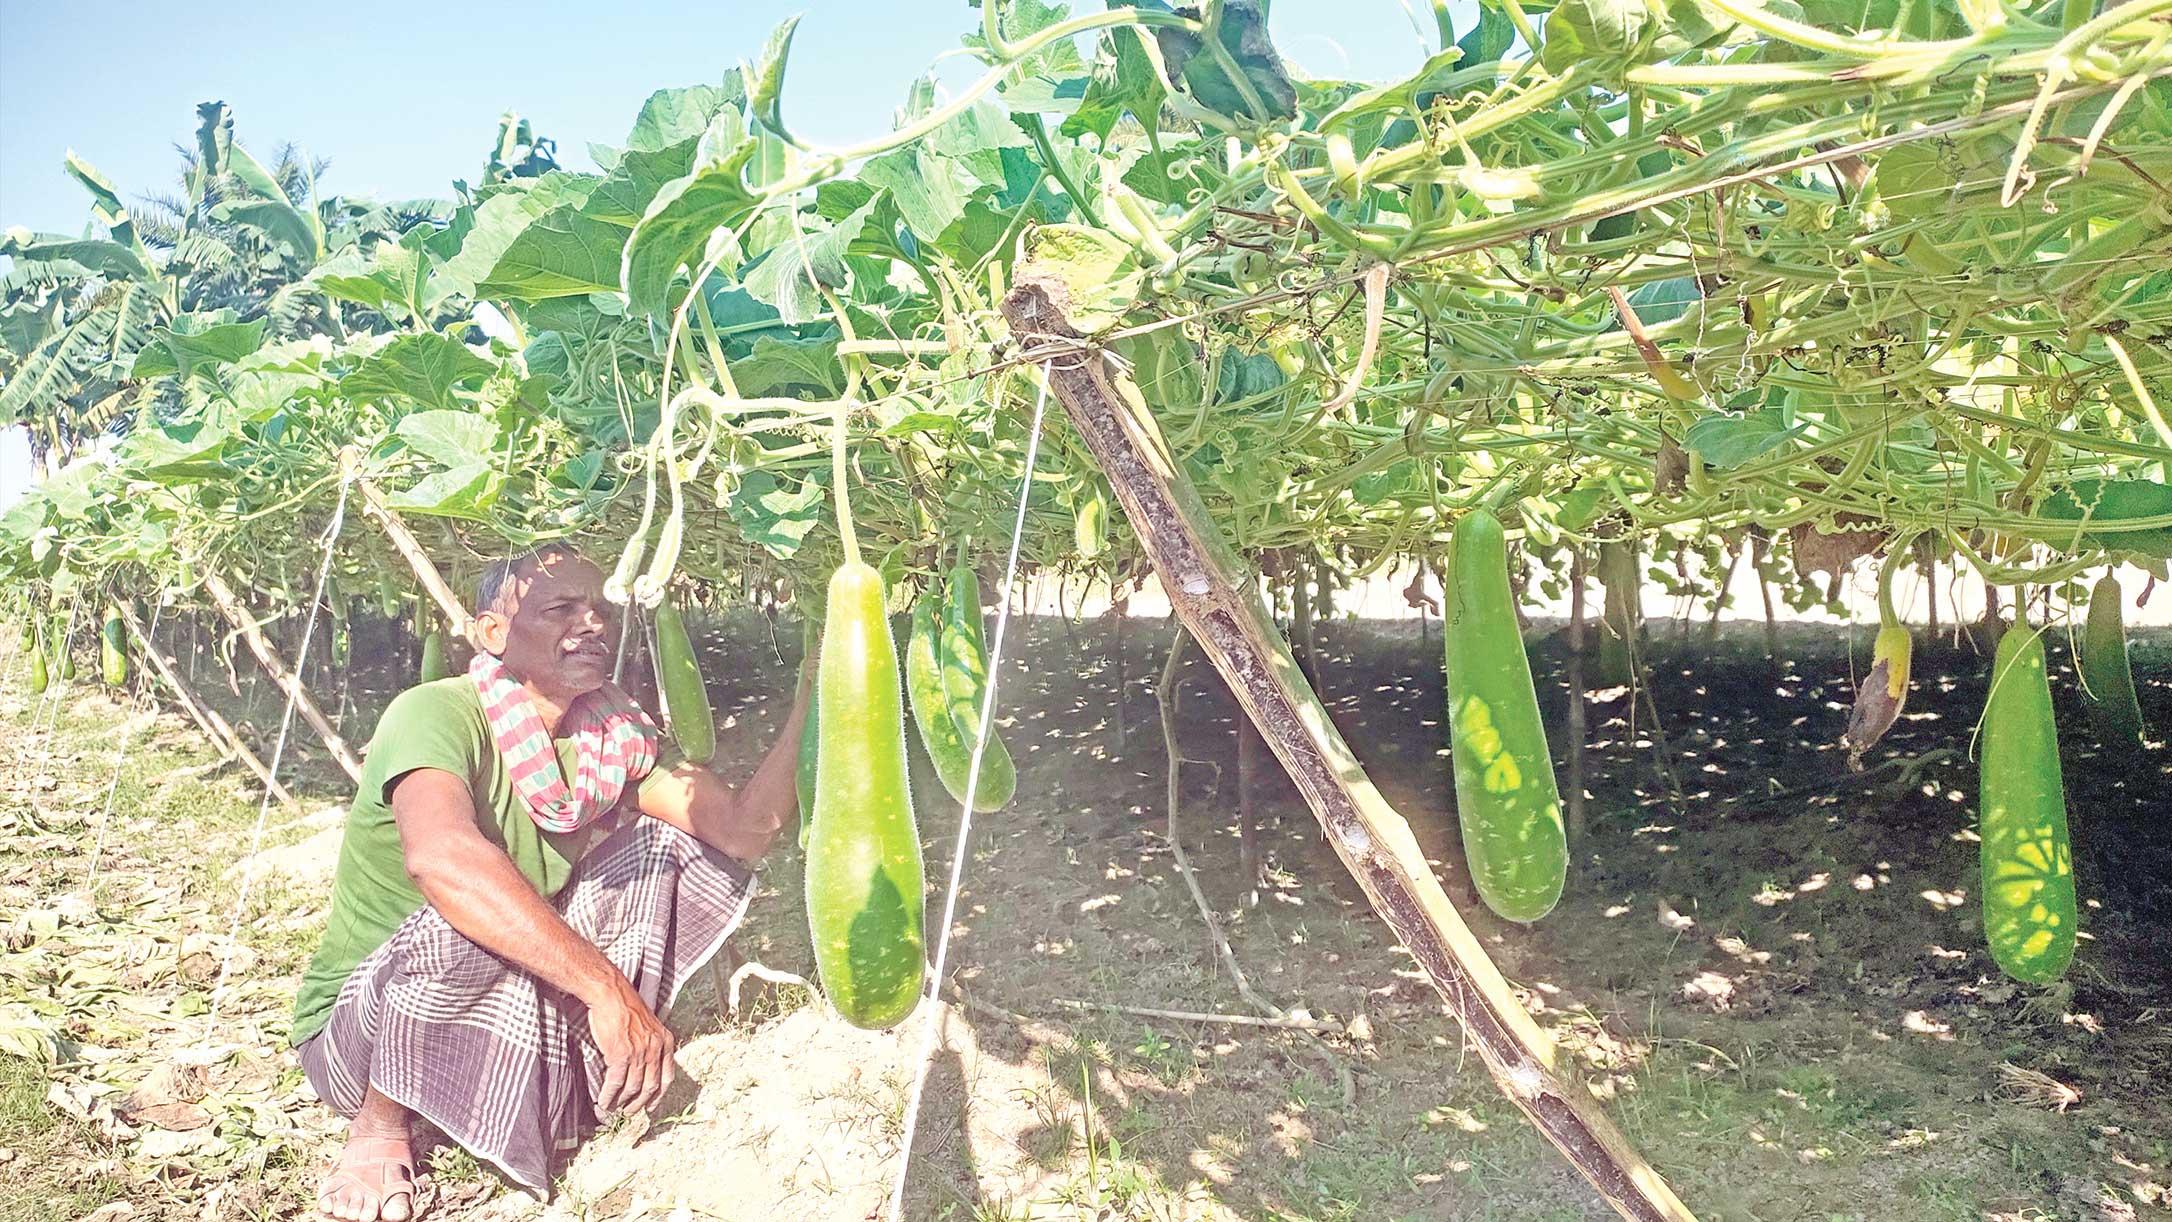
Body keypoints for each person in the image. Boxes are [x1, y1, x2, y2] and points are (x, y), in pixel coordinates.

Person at [290, 547, 810, 1221]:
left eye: (600, 609)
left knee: (670, 844)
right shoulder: (434, 713)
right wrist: (604, 988)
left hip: (499, 992)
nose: (592, 623)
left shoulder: (611, 735)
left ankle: (580, 1061)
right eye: (560, 608)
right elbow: (442, 859)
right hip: (366, 1029)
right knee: (468, 906)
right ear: (493, 634)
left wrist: (815, 699)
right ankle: (383, 1127)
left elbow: (739, 831)